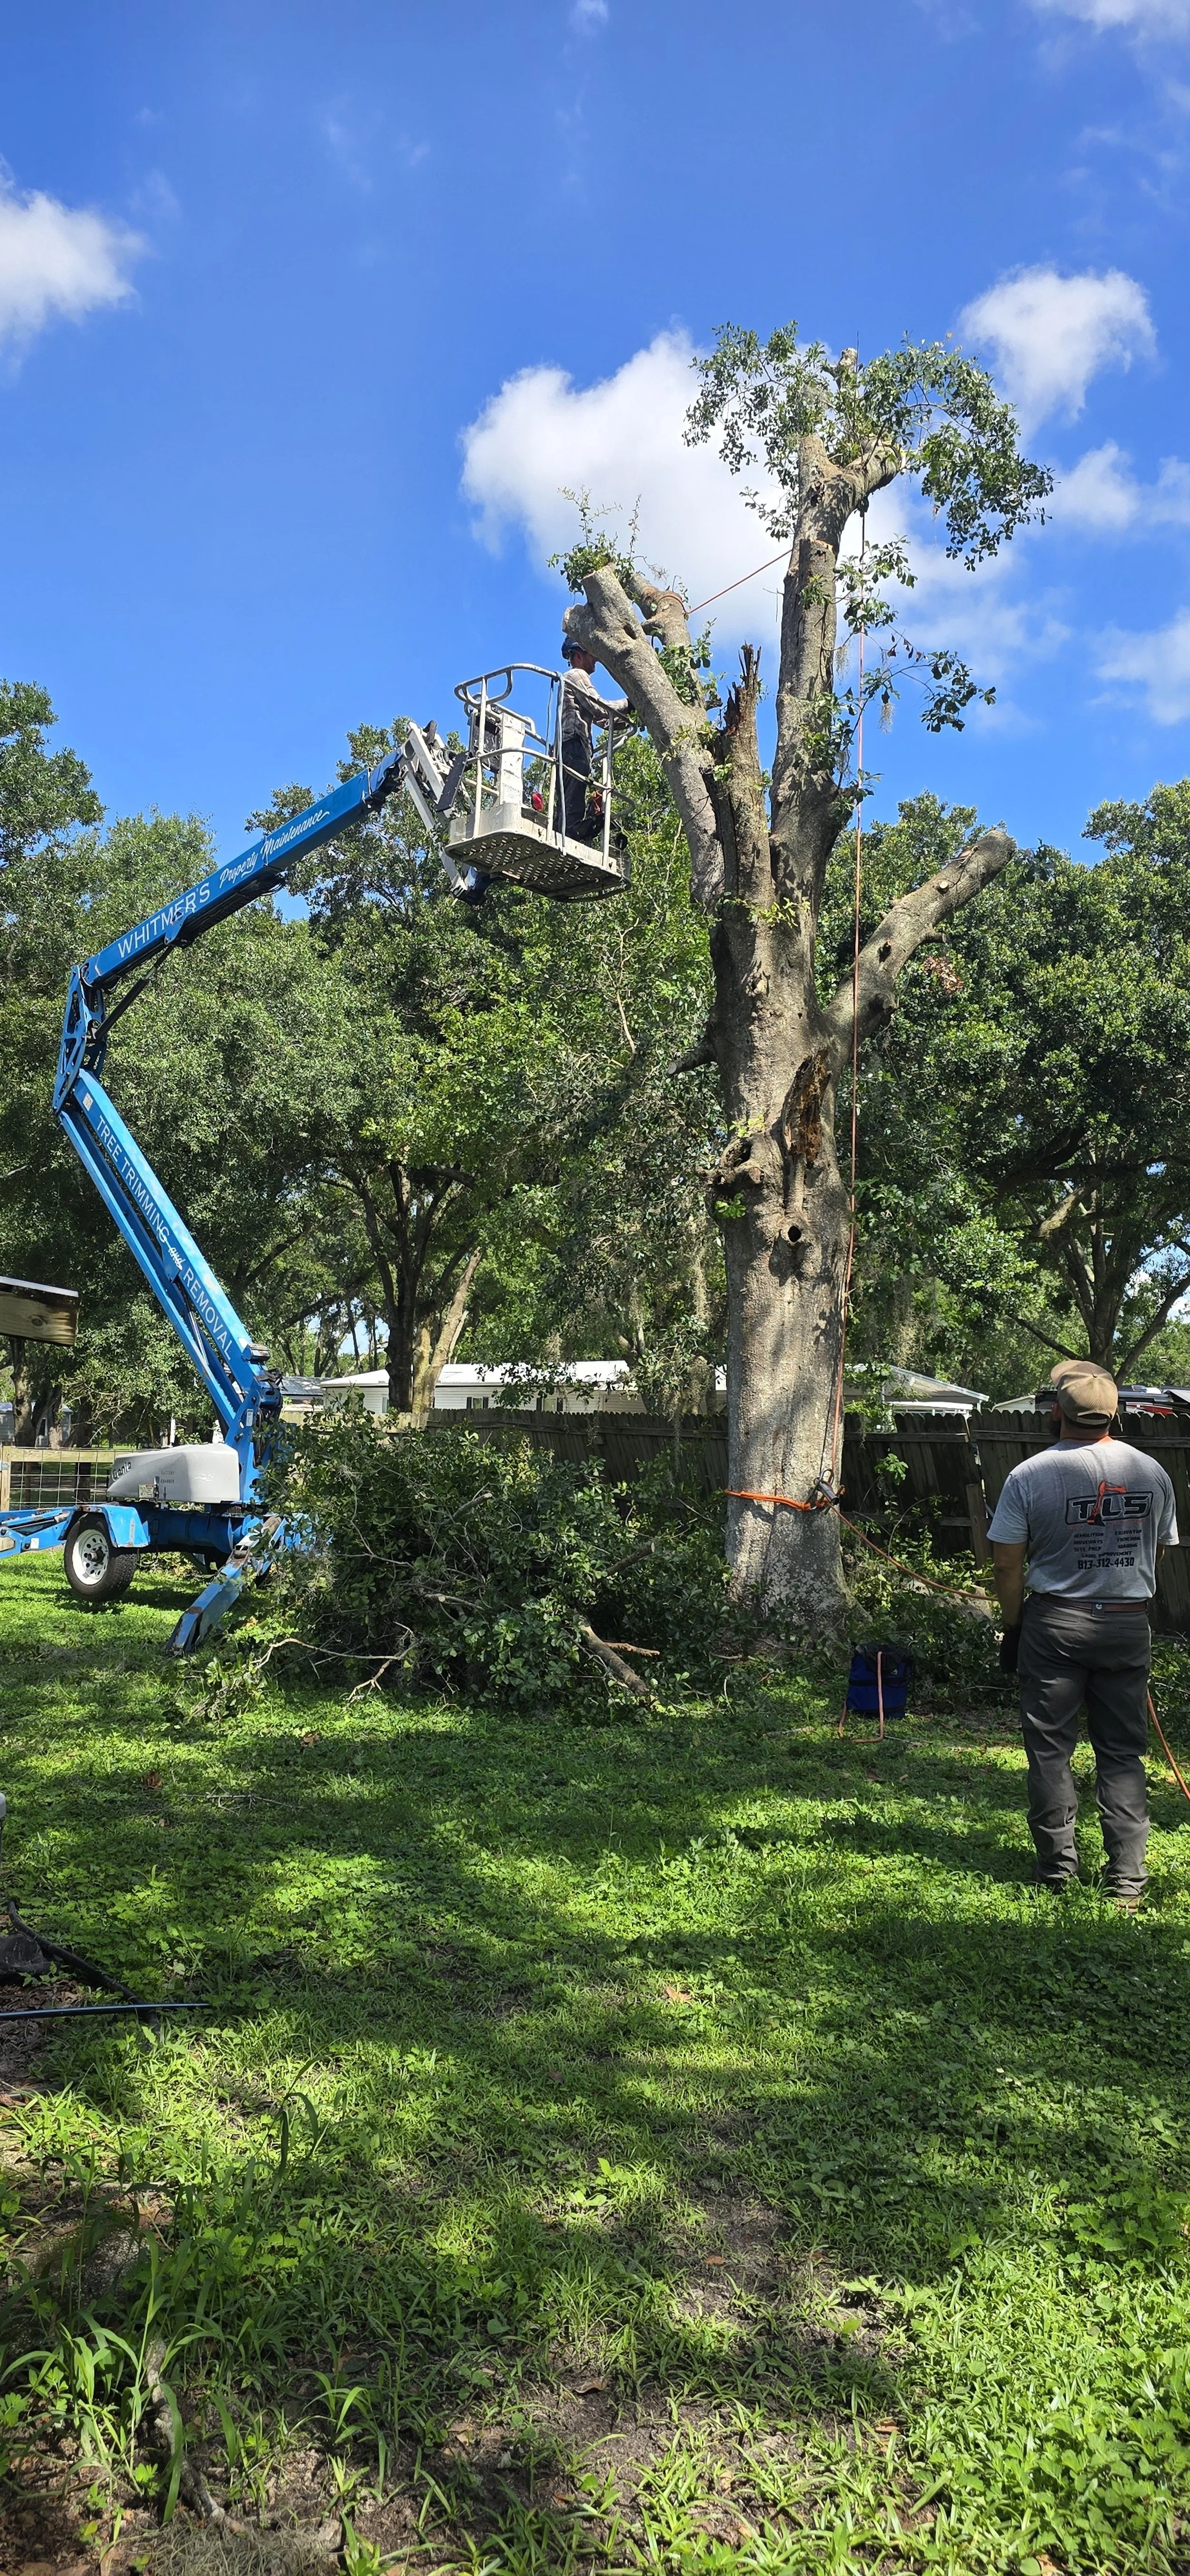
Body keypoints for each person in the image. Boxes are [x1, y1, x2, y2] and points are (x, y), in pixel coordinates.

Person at [989, 1359, 1178, 1911]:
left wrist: (1012, 1627)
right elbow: (1158, 1551)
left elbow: (1006, 1565)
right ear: (1115, 1415)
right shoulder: (1152, 1472)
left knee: (1050, 1748)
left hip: (1055, 1622)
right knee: (1122, 1752)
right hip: (1125, 1622)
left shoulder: (1029, 1475)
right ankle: (1126, 1881)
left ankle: (1056, 1870)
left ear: (1055, 1413)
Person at [559, 639, 629, 842]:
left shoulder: (572, 679)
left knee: (568, 798)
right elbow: (598, 706)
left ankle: (565, 831)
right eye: (592, 654)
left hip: (569, 747)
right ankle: (569, 835)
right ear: (578, 656)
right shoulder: (577, 675)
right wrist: (628, 704)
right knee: (573, 798)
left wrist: (626, 721)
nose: (596, 659)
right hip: (574, 745)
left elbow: (602, 719)